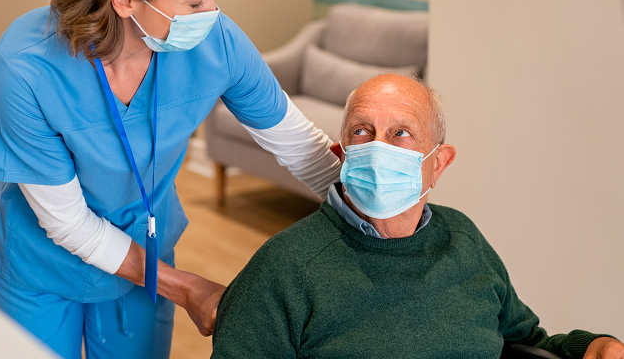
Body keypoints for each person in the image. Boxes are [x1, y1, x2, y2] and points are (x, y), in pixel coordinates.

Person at [0, 0, 340, 358]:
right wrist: (188, 288)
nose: (212, 15)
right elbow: (69, 224)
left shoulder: (217, 43)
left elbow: (303, 149)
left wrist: (377, 217)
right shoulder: (26, 67)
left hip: (143, 243)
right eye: (196, 2)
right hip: (41, 263)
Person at [211, 74, 624, 359]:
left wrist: (594, 346)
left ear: (438, 164)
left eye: (401, 133)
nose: (378, 148)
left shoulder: (463, 238)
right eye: (361, 131)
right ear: (342, 155)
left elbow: (525, 341)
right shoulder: (283, 270)